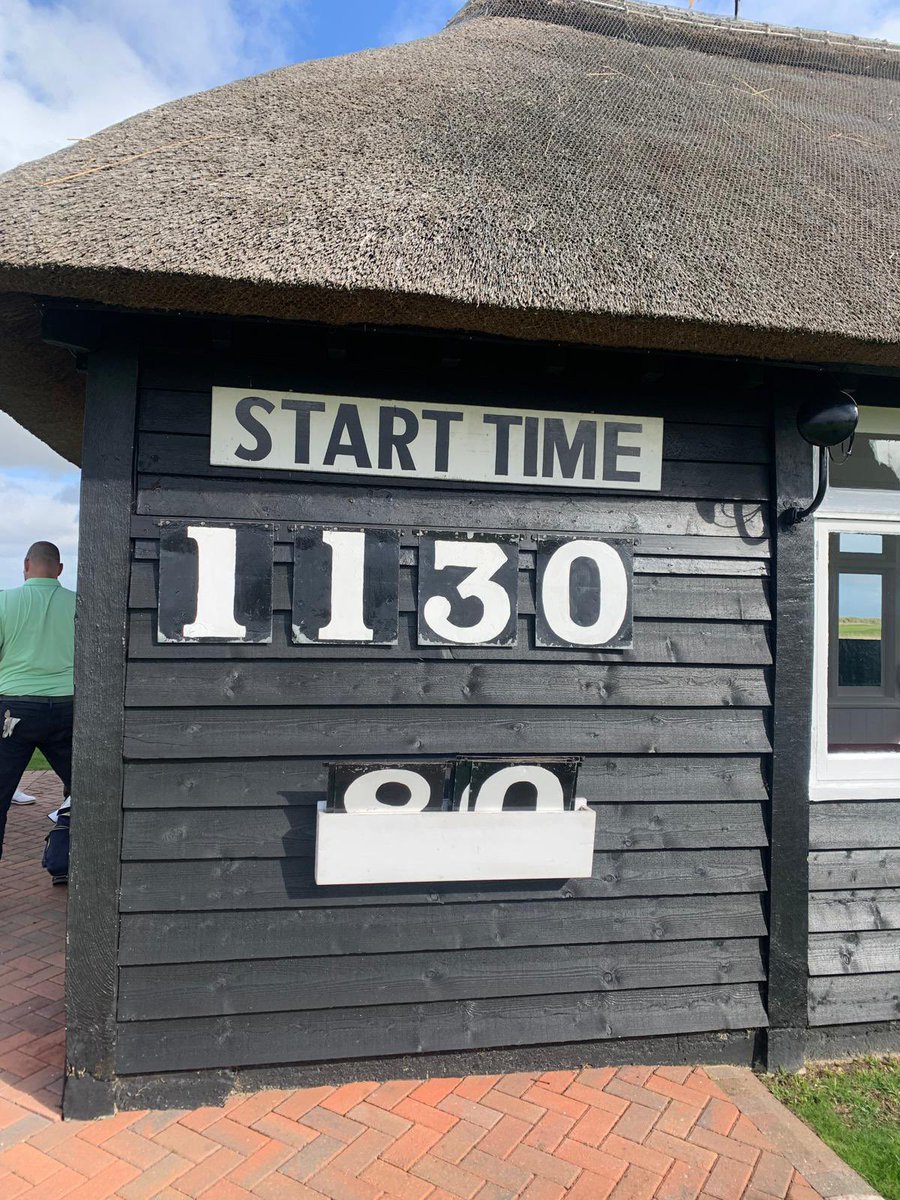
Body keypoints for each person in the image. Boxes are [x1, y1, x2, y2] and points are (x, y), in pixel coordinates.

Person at [0, 542, 75, 858]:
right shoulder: (79, 603)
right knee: (87, 790)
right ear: (60, 569)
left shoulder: (4, 601)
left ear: (26, 565)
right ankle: (65, 860)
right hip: (68, 707)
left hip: (15, 709)